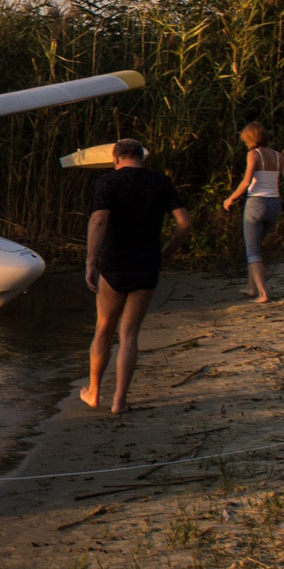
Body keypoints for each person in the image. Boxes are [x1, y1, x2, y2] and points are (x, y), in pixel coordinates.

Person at [84, 138, 191, 415]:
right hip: (147, 264)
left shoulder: (107, 182)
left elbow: (99, 220)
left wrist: (90, 261)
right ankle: (119, 401)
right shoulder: (161, 182)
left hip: (115, 264)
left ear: (115, 159)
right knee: (129, 334)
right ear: (141, 157)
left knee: (104, 328)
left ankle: (94, 392)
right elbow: (184, 223)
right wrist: (169, 251)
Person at [219, 120, 284, 303]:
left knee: (252, 251)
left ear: (250, 139)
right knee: (255, 244)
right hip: (274, 204)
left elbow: (246, 181)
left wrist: (230, 199)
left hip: (256, 203)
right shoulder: (279, 156)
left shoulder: (253, 154)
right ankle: (251, 287)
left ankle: (262, 293)